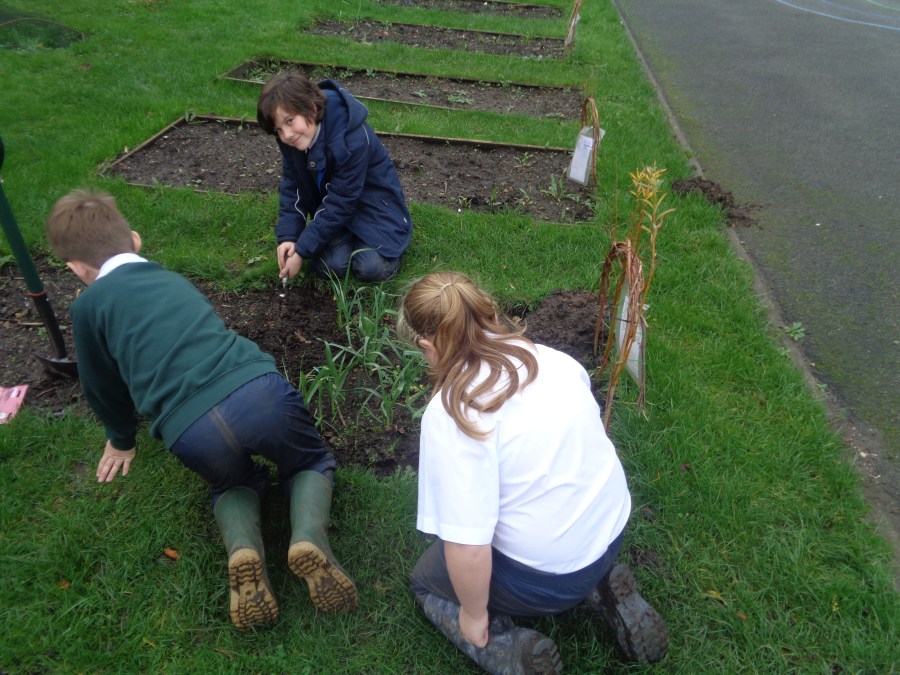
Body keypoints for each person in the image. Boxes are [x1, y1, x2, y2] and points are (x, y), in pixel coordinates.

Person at [45, 189, 358, 630]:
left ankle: (243, 550)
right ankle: (308, 539)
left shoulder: (87, 308)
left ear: (76, 268)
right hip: (257, 393)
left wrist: (121, 440)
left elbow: (100, 383)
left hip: (189, 425)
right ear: (135, 241)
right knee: (308, 461)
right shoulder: (170, 278)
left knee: (232, 483)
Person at [396, 271, 668, 674]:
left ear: (427, 346)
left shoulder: (454, 415)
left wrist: (473, 613)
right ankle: (600, 587)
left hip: (545, 581)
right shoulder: (550, 359)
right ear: (490, 314)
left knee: (426, 579)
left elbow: (468, 546)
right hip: (612, 532)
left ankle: (507, 647)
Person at [257, 71, 412, 283]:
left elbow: (341, 201)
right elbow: (293, 188)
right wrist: (289, 237)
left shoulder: (353, 139)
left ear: (311, 107)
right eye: (279, 130)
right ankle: (347, 241)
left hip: (375, 209)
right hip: (336, 207)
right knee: (329, 266)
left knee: (371, 269)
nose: (287, 135)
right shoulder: (295, 140)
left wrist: (302, 250)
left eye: (290, 121)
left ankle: (376, 245)